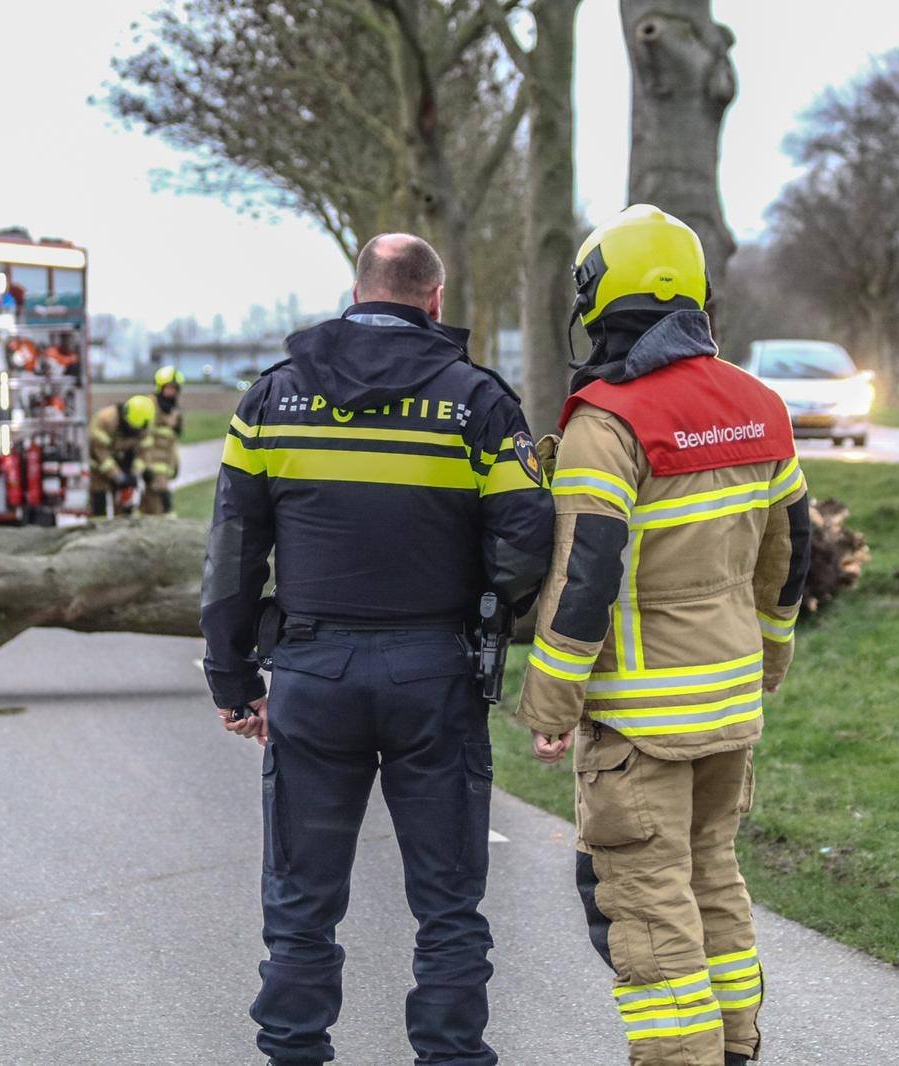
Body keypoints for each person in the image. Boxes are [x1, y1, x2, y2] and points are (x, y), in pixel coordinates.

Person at [201, 233, 555, 1066]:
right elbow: (528, 538)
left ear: (355, 292)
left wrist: (232, 673)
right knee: (448, 902)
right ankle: (451, 1055)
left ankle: (292, 1050)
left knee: (301, 898)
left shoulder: (271, 399)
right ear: (435, 299)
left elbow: (232, 550)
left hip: (313, 675)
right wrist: (491, 610)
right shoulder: (478, 401)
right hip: (434, 672)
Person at [516, 205, 810, 1066]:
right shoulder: (760, 404)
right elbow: (790, 556)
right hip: (727, 703)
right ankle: (737, 1049)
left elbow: (584, 578)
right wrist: (770, 657)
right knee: (713, 879)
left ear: (599, 298)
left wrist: (550, 701)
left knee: (647, 908)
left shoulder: (604, 423)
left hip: (640, 723)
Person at [87, 393, 155, 517]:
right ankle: (97, 532)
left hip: (125, 464)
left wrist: (134, 474)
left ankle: (123, 531)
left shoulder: (144, 423)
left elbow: (144, 452)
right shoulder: (105, 419)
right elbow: (100, 453)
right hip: (99, 467)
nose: (134, 431)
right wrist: (118, 476)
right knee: (98, 504)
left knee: (125, 509)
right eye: (131, 427)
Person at [140, 365, 184, 515]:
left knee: (152, 506)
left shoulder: (174, 411)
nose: (171, 392)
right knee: (161, 503)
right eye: (168, 388)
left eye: (175, 388)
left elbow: (172, 441)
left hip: (165, 465)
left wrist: (175, 464)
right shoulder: (149, 405)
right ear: (160, 387)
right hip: (150, 463)